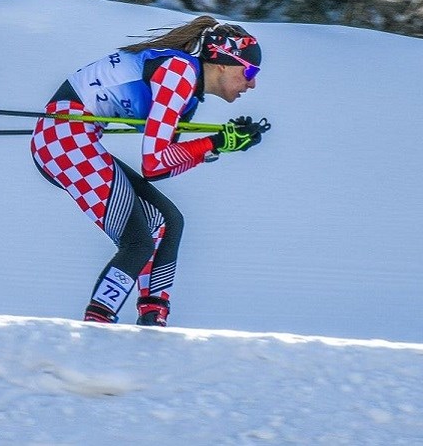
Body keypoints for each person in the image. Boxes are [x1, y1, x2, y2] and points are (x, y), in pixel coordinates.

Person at [31, 16, 269, 326]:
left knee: (169, 222)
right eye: (249, 71)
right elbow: (154, 161)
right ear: (222, 63)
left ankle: (153, 317)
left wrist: (218, 146)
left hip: (71, 137)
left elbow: (160, 168)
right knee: (138, 242)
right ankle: (98, 322)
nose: (252, 83)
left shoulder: (188, 96)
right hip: (63, 137)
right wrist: (214, 141)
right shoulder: (179, 72)